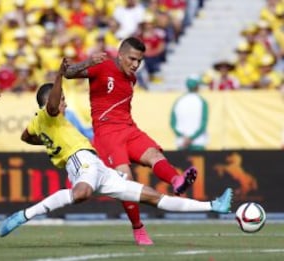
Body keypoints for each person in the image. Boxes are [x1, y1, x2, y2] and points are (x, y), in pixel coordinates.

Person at [0, 58, 233, 239]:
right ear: (50, 101)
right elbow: (50, 104)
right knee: (81, 194)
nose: (64, 103)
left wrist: (46, 143)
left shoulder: (39, 124)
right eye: (61, 100)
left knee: (152, 196)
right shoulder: (47, 115)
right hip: (81, 161)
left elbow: (25, 137)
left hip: (98, 167)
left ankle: (214, 206)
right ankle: (24, 216)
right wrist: (59, 75)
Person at [64, 36, 197, 245]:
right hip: (107, 133)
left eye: (139, 61)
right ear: (121, 55)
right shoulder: (103, 66)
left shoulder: (131, 79)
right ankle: (138, 228)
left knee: (154, 154)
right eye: (132, 59)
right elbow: (68, 73)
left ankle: (177, 181)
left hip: (129, 128)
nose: (135, 65)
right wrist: (88, 62)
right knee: (125, 179)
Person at [170, 74, 209, 150]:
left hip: (182, 142)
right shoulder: (202, 101)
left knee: (180, 162)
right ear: (197, 86)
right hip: (198, 142)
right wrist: (191, 138)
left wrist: (183, 137)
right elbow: (203, 123)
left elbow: (172, 123)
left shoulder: (178, 101)